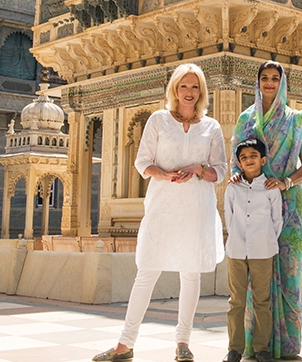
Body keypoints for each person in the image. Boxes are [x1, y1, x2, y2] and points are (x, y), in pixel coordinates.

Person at [93, 63, 227, 362]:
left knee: (191, 274)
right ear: (174, 89)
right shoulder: (159, 120)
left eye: (195, 87)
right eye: (184, 86)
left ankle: (183, 342)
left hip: (197, 208)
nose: (189, 92)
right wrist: (164, 174)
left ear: (202, 91)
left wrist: (198, 169)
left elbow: (220, 171)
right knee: (147, 271)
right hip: (163, 206)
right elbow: (142, 162)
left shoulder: (211, 126)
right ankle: (125, 343)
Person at [230, 61, 302, 359]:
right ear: (258, 81)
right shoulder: (246, 119)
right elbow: (236, 161)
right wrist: (237, 176)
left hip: (288, 207)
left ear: (282, 82)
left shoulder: (297, 120)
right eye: (265, 78)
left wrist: (286, 182)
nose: (270, 83)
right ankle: (257, 345)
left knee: (290, 278)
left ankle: (288, 346)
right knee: (254, 283)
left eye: (275, 78)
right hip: (254, 207)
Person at [223, 138, 283, 362]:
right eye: (244, 158)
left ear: (263, 160)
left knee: (261, 301)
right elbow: (229, 217)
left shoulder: (270, 188)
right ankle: (234, 348)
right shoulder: (233, 187)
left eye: (253, 156)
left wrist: (264, 240)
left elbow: (276, 221)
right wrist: (238, 239)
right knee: (236, 301)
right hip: (236, 251)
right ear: (239, 163)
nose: (249, 160)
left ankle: (262, 348)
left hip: (262, 251)